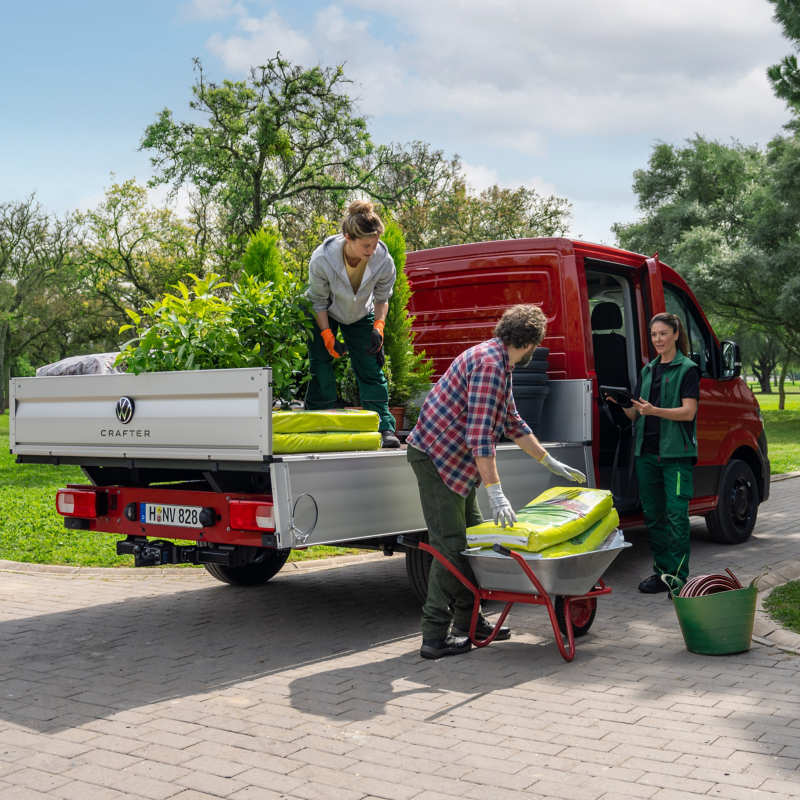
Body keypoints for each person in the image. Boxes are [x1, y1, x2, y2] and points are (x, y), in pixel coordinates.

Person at [406, 305, 588, 659]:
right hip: (436, 459)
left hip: (454, 463)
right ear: (531, 341)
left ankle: (469, 623)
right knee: (450, 546)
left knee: (475, 542)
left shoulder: (498, 360)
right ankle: (433, 636)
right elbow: (479, 437)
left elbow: (513, 421)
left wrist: (548, 460)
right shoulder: (490, 366)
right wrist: (497, 494)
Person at [608, 312, 700, 595]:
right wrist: (619, 403)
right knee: (654, 517)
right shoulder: (648, 371)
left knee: (676, 518)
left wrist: (654, 410)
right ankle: (662, 574)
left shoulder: (687, 369)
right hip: (646, 455)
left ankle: (679, 579)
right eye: (653, 334)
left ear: (675, 334)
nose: (658, 339)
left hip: (675, 456)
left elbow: (688, 412)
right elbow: (636, 414)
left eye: (662, 333)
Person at [306, 200, 400, 448]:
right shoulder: (322, 259)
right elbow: (317, 301)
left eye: (376, 243)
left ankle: (384, 428)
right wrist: (326, 334)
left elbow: (382, 298)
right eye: (366, 245)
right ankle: (317, 425)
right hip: (325, 312)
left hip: (360, 315)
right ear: (348, 238)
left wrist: (378, 327)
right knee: (322, 370)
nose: (372, 250)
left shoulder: (383, 260)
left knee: (372, 370)